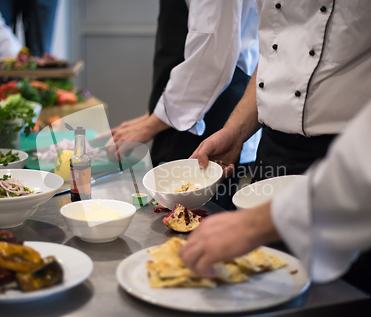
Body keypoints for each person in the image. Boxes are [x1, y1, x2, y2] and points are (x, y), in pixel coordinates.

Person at [184, 1, 371, 317]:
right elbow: (278, 58)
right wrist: (236, 129)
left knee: (359, 311)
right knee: (263, 310)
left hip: (364, 170)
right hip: (274, 156)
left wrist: (255, 225)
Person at [105, 0, 260, 209]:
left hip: (208, 116)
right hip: (182, 111)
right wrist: (151, 114)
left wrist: (152, 124)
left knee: (191, 221)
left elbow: (210, 56)